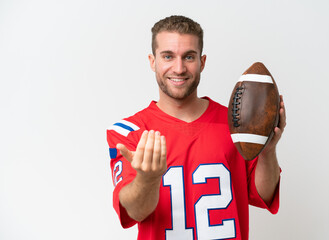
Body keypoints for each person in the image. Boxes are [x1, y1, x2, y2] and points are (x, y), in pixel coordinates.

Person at [106, 15, 286, 240]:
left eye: (188, 57)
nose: (179, 68)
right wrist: (146, 178)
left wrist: (267, 151)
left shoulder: (234, 124)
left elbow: (264, 195)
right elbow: (134, 212)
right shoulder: (128, 131)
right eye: (168, 56)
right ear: (153, 61)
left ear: (202, 62)